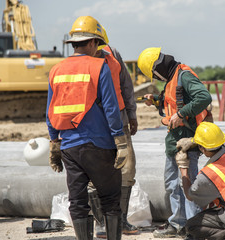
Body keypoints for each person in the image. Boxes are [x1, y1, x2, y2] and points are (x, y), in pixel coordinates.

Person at [46, 16, 128, 240]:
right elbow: (111, 107)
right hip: (99, 144)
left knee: (78, 202)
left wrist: (55, 142)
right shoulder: (98, 66)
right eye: (98, 44)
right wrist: (120, 140)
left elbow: (50, 111)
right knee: (111, 200)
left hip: (70, 148)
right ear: (92, 42)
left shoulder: (56, 70)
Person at [137, 47, 212, 238]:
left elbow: (204, 97)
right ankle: (178, 224)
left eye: (155, 75)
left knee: (188, 186)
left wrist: (181, 114)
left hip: (187, 141)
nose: (157, 79)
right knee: (172, 185)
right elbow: (173, 102)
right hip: (173, 141)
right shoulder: (172, 78)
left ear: (157, 69)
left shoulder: (183, 76)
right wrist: (155, 100)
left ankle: (193, 227)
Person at [89, 44, 139, 238]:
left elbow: (126, 84)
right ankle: (101, 223)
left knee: (127, 170)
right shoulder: (82, 62)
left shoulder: (113, 53)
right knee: (96, 176)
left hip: (120, 122)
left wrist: (132, 114)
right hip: (95, 127)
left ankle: (121, 220)